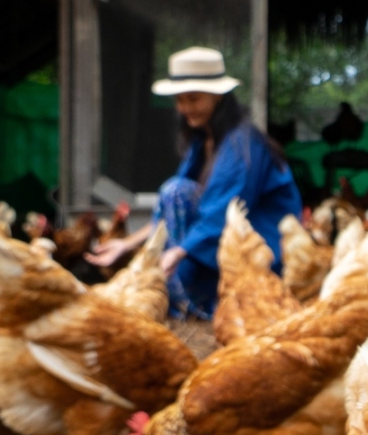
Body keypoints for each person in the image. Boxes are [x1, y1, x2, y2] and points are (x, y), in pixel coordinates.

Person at [88, 47, 302, 319]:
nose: (184, 108)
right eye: (179, 100)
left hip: (263, 252)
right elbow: (171, 211)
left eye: (193, 99)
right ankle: (188, 294)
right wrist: (128, 245)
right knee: (175, 191)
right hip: (223, 246)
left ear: (218, 96)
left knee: (175, 191)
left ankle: (197, 300)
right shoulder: (203, 140)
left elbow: (219, 215)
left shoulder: (241, 144)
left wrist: (175, 255)